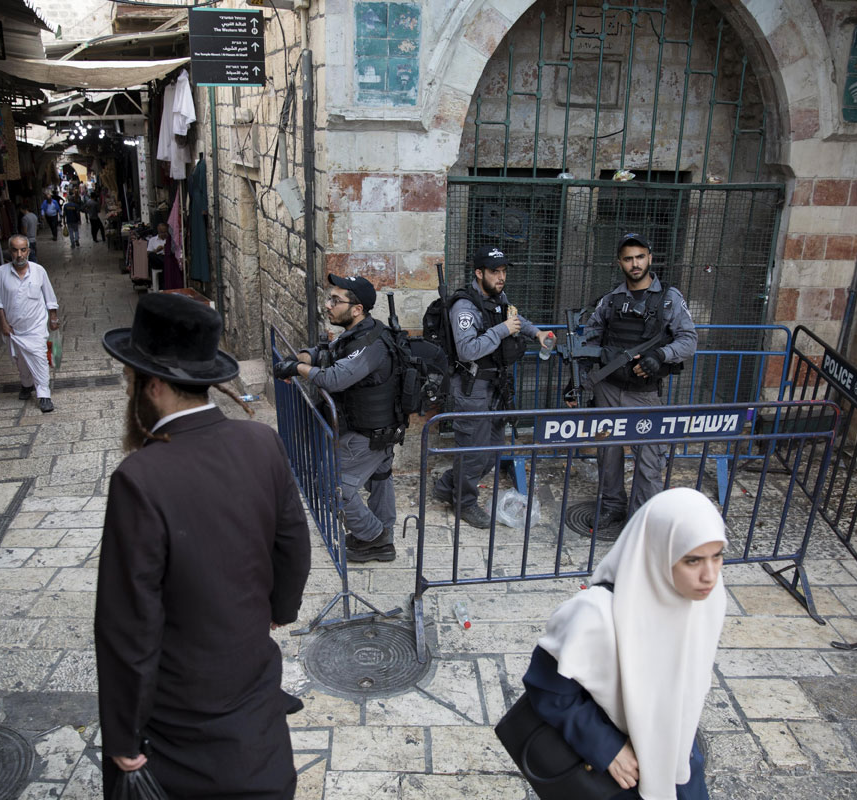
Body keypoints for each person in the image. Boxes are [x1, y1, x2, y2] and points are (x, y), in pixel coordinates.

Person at [96, 293, 311, 800]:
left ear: (152, 387)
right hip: (252, 686)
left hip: (181, 712)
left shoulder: (139, 479)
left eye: (129, 380)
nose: (127, 389)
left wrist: (123, 735)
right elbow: (294, 543)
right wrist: (279, 607)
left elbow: (129, 624)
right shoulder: (262, 442)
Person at [523, 487, 726, 800]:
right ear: (658, 552)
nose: (709, 576)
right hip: (619, 777)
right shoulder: (595, 615)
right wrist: (606, 748)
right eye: (692, 561)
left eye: (717, 556)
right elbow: (545, 687)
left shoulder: (706, 603)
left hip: (679, 765)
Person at [274, 275, 400, 563]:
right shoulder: (359, 332)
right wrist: (307, 355)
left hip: (368, 433)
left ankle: (374, 537)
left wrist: (297, 368)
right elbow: (331, 353)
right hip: (377, 428)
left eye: (335, 300)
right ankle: (383, 539)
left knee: (331, 486)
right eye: (328, 298)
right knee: (380, 479)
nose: (327, 306)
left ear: (357, 309)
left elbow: (334, 378)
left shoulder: (372, 344)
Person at [579, 233, 698, 521]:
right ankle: (612, 506)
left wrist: (660, 356)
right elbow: (589, 344)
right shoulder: (610, 301)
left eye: (640, 257)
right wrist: (578, 383)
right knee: (608, 453)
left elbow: (689, 340)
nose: (635, 264)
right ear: (620, 262)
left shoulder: (669, 298)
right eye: (629, 258)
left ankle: (645, 518)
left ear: (650, 258)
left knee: (648, 458)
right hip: (607, 388)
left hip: (643, 392)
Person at [431, 246, 551, 528]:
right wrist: (502, 330)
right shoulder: (465, 307)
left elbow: (515, 320)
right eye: (495, 272)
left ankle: (448, 484)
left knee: (493, 452)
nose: (501, 277)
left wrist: (537, 333)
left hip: (496, 387)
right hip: (473, 387)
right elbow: (467, 350)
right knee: (473, 453)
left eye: (503, 271)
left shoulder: (497, 299)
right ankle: (465, 503)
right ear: (479, 273)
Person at [0, 235, 60, 413]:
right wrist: (4, 324)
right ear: (10, 252)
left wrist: (53, 318)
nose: (19, 254)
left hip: (36, 327)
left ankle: (44, 395)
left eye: (23, 250)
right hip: (14, 329)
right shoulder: (1, 272)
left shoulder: (39, 271)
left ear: (28, 251)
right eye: (15, 250)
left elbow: (50, 297)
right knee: (20, 361)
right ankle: (26, 384)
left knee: (39, 359)